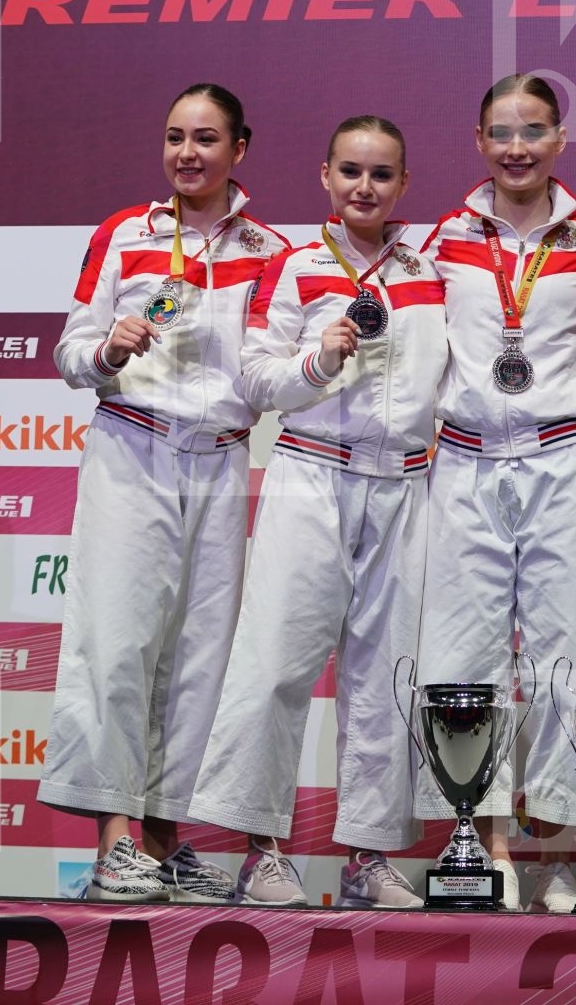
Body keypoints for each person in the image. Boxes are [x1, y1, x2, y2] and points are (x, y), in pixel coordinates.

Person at [38, 84, 289, 903]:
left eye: (206, 139)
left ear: (239, 150)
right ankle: (113, 843)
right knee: (116, 645)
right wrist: (107, 350)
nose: (188, 153)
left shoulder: (272, 250)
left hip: (220, 460)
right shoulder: (124, 232)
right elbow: (70, 352)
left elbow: (269, 369)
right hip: (133, 448)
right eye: (176, 136)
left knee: (198, 659)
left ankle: (162, 839)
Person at [190, 115, 444, 909]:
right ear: (325, 178)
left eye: (381, 174)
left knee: (388, 675)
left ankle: (368, 858)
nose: (365, 187)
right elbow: (256, 380)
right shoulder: (294, 266)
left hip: (404, 484)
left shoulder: (430, 271)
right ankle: (260, 853)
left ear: (403, 184)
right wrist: (319, 359)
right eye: (351, 172)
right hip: (313, 474)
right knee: (274, 664)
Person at [413, 74, 576, 913]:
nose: (518, 147)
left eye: (534, 130)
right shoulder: (444, 239)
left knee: (568, 652)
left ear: (561, 140)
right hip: (466, 459)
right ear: (479, 141)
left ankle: (561, 850)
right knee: (464, 655)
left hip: (562, 457)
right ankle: (484, 843)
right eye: (501, 131)